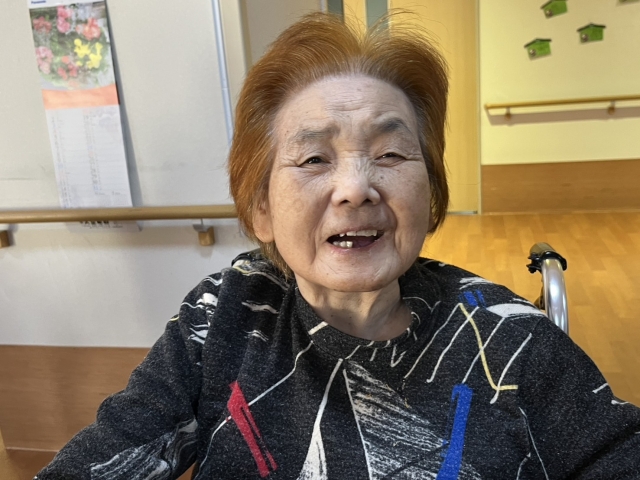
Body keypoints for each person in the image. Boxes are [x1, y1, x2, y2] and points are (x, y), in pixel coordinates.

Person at [36, 12, 640, 480]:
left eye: (391, 153)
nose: (356, 187)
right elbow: (113, 450)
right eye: (314, 159)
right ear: (262, 209)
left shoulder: (509, 339)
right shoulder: (224, 314)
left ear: (430, 192)